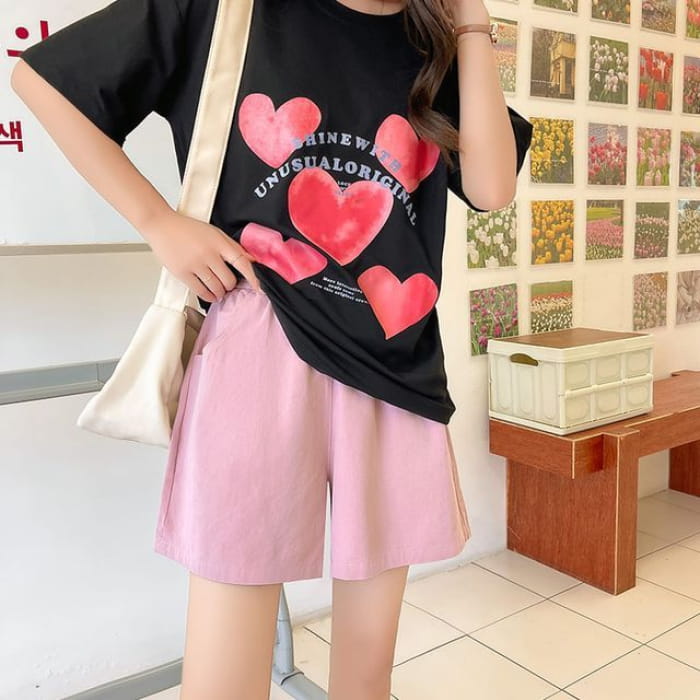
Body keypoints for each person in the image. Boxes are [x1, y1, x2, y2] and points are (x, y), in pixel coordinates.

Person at [12, 0, 533, 697]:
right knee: (226, 670)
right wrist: (158, 222)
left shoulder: (432, 46)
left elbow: (492, 188)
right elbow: (43, 79)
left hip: (395, 358)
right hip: (261, 336)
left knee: (367, 672)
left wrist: (469, 22)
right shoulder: (230, 8)